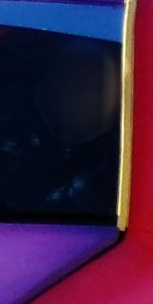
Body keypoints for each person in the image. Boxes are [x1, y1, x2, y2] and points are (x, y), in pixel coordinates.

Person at [29, 38, 122, 214]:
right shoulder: (2, 145)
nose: (72, 88)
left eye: (90, 78)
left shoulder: (123, 173)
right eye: (63, 74)